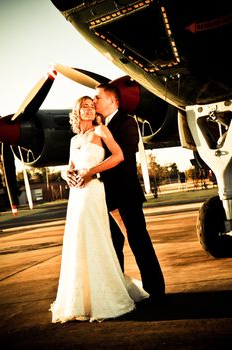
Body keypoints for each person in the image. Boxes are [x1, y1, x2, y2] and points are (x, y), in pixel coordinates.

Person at [50, 96, 149, 323]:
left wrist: (91, 171)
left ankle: (105, 296)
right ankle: (82, 299)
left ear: (95, 112)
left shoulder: (102, 131)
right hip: (75, 195)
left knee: (95, 239)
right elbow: (71, 166)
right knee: (77, 241)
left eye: (91, 106)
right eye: (83, 106)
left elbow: (119, 156)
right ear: (76, 110)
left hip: (93, 190)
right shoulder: (74, 139)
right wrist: (66, 174)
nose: (88, 109)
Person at [67, 85, 165, 303]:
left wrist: (91, 172)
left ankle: (156, 292)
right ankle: (116, 293)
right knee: (111, 248)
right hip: (100, 198)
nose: (94, 102)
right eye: (89, 102)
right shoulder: (91, 131)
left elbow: (123, 157)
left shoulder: (127, 122)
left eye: (97, 98)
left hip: (125, 195)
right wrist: (72, 174)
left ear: (113, 101)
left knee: (139, 242)